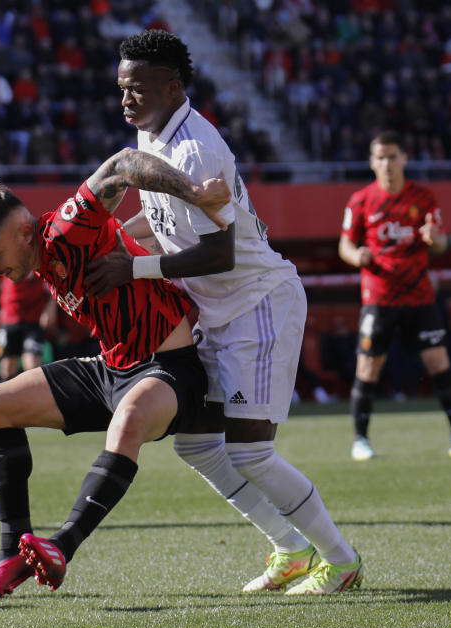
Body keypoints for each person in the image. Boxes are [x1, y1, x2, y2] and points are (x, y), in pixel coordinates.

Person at [81, 30, 362, 596]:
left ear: (173, 86)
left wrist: (127, 269)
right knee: (198, 444)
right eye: (121, 88)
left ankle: (340, 559)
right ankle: (291, 549)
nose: (126, 99)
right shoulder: (153, 138)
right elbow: (162, 225)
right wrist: (112, 241)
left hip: (258, 304)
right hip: (221, 311)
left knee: (251, 449)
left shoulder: (196, 149)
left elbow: (218, 253)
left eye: (136, 88)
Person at [0, 146, 228, 600]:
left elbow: (122, 165)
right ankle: (11, 554)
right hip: (112, 368)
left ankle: (61, 547)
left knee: (128, 420)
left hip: (170, 369)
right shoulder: (39, 256)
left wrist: (196, 193)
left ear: (25, 233)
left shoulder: (65, 226)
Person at [339, 130, 451, 460]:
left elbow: (441, 243)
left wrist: (434, 237)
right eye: (380, 158)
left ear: (404, 159)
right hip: (378, 297)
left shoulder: (423, 197)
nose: (387, 164)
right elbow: (345, 245)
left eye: (392, 157)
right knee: (368, 367)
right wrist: (358, 257)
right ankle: (360, 441)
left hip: (419, 296)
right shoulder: (360, 200)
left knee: (438, 362)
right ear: (372, 162)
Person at [0, 271, 57, 381]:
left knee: (33, 365)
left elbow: (55, 282)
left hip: (34, 319)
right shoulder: (4, 256)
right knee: (7, 366)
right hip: (9, 318)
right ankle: (8, 397)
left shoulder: (37, 256)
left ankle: (32, 396)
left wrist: (50, 308)